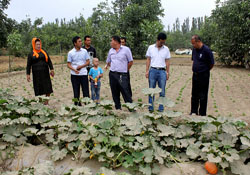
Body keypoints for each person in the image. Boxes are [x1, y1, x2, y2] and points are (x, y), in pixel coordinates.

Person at [106, 36, 133, 110]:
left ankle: (131, 108)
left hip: (122, 75)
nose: (111, 42)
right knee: (114, 92)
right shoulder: (111, 51)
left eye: (112, 41)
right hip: (112, 74)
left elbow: (130, 62)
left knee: (125, 92)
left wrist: (125, 70)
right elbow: (108, 61)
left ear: (116, 42)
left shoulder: (126, 50)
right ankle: (118, 108)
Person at [145, 32, 171, 112]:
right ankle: (151, 108)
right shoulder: (151, 48)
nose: (162, 43)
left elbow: (167, 61)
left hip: (162, 72)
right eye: (161, 42)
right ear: (158, 40)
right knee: (151, 90)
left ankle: (161, 108)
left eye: (163, 42)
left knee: (162, 91)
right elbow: (148, 59)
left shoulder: (166, 49)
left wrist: (167, 72)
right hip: (152, 70)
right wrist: (147, 71)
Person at [190, 35, 214, 116]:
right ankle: (193, 111)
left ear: (198, 42)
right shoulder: (194, 50)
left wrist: (204, 70)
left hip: (204, 75)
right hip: (195, 75)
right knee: (194, 94)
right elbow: (194, 60)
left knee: (203, 95)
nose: (193, 45)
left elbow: (211, 63)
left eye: (194, 43)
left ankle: (202, 113)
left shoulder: (206, 50)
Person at [26, 38, 54, 105]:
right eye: (37, 44)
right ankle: (41, 101)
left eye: (39, 44)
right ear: (34, 45)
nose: (38, 46)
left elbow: (49, 61)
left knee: (47, 87)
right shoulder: (31, 54)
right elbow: (28, 65)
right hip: (36, 74)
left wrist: (52, 69)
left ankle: (46, 102)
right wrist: (28, 74)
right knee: (38, 88)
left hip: (45, 73)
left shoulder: (44, 52)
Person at [67, 36, 90, 106]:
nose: (81, 43)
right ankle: (77, 105)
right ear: (75, 43)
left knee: (86, 91)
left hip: (83, 74)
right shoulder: (70, 53)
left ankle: (87, 105)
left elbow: (88, 62)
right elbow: (68, 64)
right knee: (76, 92)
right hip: (74, 75)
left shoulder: (84, 51)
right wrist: (74, 70)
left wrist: (81, 66)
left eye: (81, 41)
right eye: (79, 41)